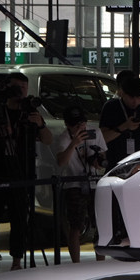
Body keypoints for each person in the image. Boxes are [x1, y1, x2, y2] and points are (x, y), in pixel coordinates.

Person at [0, 73, 53, 275]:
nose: (20, 90)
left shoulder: (30, 111)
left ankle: (17, 261)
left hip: (23, 171)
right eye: (16, 86)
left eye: (23, 87)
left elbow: (48, 140)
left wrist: (40, 124)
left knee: (19, 219)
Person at [55, 106, 107, 263]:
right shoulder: (64, 138)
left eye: (82, 123)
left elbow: (102, 157)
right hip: (74, 184)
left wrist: (98, 161)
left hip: (94, 181)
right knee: (76, 225)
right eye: (76, 125)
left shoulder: (95, 132)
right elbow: (61, 162)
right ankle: (75, 263)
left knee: (99, 223)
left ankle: (101, 260)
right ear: (67, 125)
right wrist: (74, 144)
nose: (81, 127)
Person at [100, 75, 140, 168]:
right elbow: (102, 138)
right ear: (122, 93)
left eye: (139, 97)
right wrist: (124, 126)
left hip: (136, 162)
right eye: (131, 97)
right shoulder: (111, 107)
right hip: (115, 162)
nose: (135, 101)